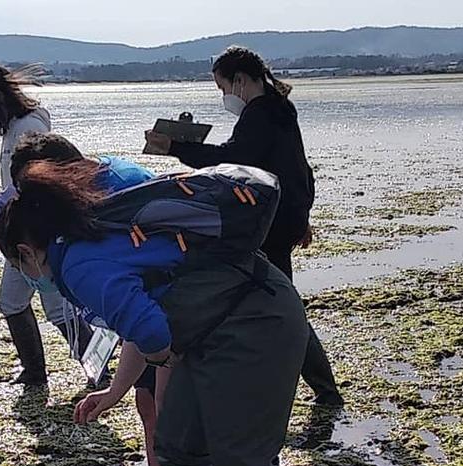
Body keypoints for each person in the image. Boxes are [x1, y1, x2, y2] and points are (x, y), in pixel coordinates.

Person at [0, 160, 329, 466]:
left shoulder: (77, 264)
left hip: (255, 324)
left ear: (26, 250)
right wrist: (117, 388)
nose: (25, 273)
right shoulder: (89, 239)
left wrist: (162, 355)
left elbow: (150, 331)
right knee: (178, 447)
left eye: (19, 264)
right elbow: (143, 320)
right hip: (222, 325)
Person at [144, 46, 344, 408]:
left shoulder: (262, 113)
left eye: (222, 89)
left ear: (239, 81)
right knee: (278, 301)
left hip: (269, 224)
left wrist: (175, 146)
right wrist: (303, 216)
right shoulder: (280, 109)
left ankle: (317, 391)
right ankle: (318, 389)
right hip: (285, 216)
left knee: (281, 307)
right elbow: (300, 170)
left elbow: (232, 159)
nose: (223, 97)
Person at [6, 131, 169, 466]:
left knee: (165, 415)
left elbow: (151, 327)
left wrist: (167, 364)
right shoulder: (108, 176)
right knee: (154, 405)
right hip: (175, 304)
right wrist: (116, 389)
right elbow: (136, 319)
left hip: (187, 307)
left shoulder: (89, 235)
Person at [0, 63, 64, 386]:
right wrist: (3, 230)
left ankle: (93, 367)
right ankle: (34, 371)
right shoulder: (13, 128)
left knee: (55, 307)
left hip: (37, 231)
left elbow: (27, 181)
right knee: (14, 302)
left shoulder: (28, 127)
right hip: (20, 229)